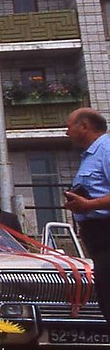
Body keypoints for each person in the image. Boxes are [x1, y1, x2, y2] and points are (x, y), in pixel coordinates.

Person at [65, 108, 110, 325]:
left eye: (69, 126)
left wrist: (89, 204)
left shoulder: (107, 150)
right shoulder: (90, 155)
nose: (66, 132)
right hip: (98, 238)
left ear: (84, 126)